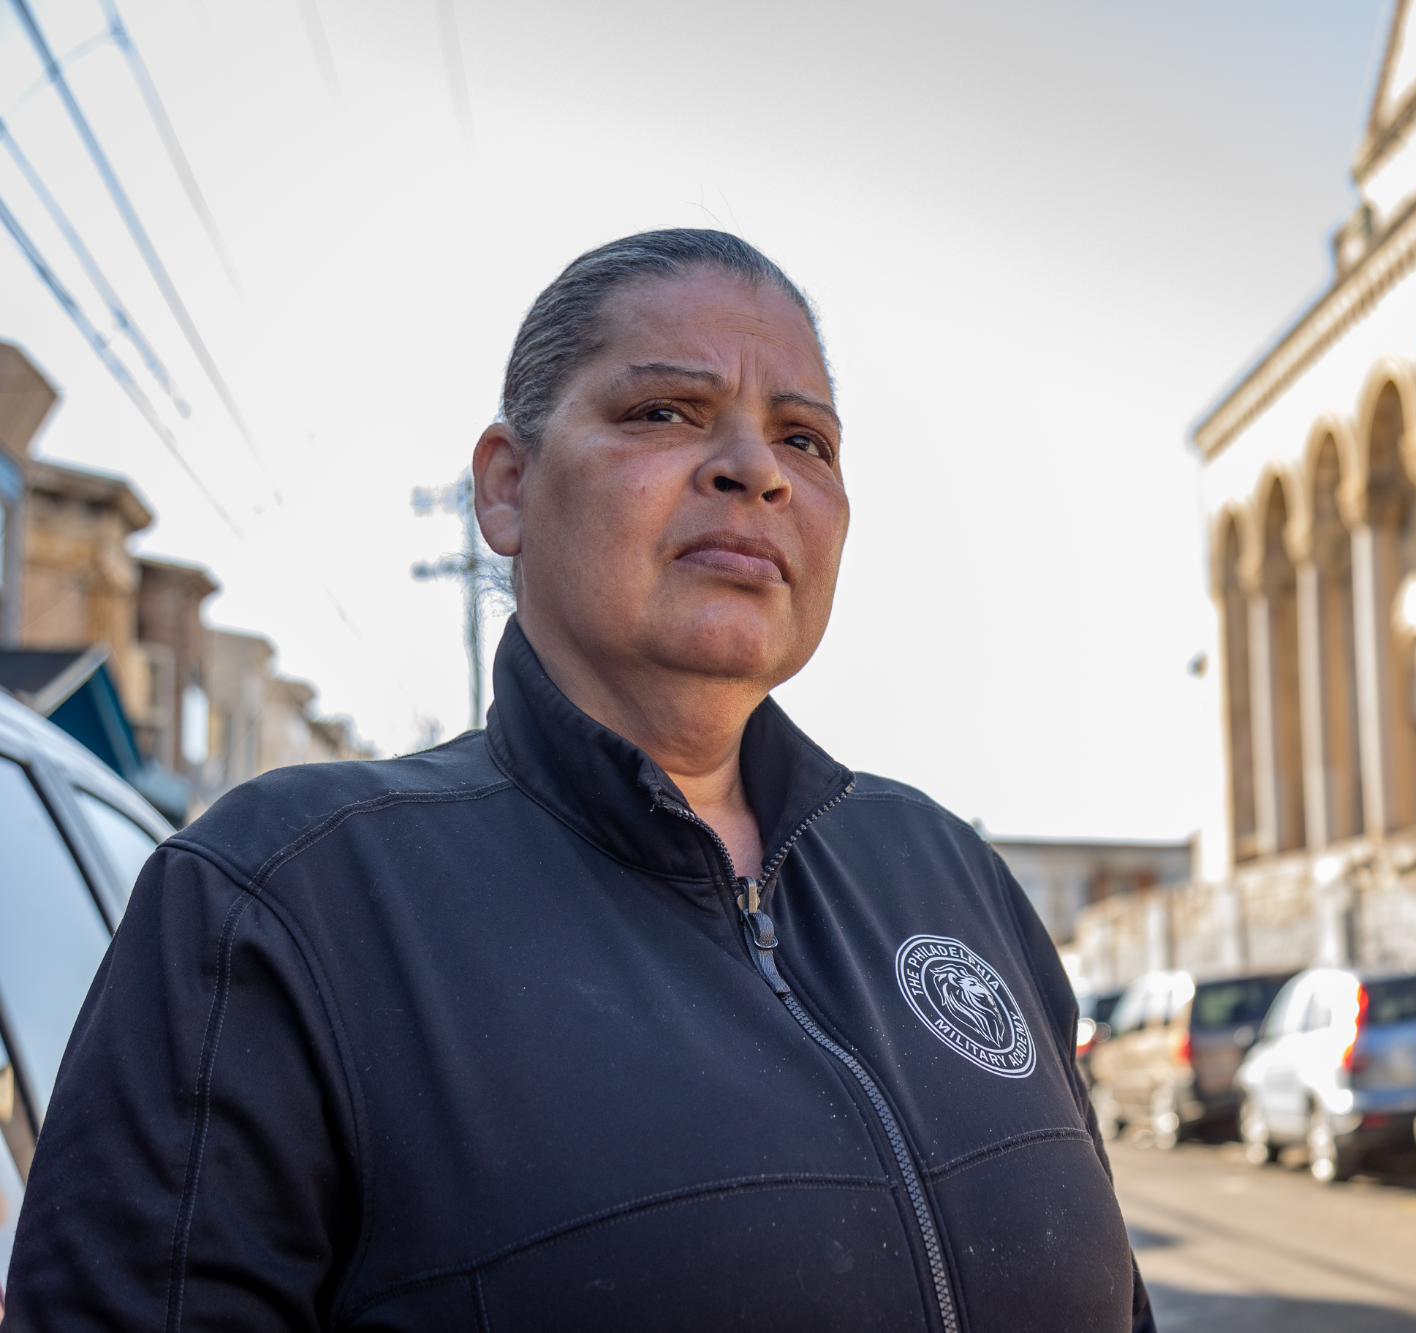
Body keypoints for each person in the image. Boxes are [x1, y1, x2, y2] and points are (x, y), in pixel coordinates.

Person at [5, 230, 1154, 1332]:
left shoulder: (948, 874)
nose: (754, 468)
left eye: (804, 440)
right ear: (504, 487)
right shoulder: (286, 903)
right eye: (664, 411)